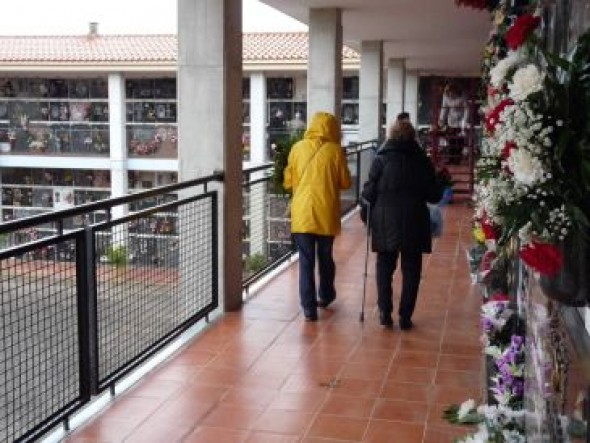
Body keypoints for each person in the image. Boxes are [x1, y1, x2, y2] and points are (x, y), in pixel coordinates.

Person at [361, 120, 442, 330]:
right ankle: (405, 316)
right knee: (412, 269)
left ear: (391, 135)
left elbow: (369, 193)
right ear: (413, 136)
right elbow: (434, 196)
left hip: (385, 220)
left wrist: (365, 213)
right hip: (414, 220)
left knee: (384, 267)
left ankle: (384, 313)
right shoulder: (422, 161)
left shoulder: (380, 160)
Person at [283, 111, 352, 321]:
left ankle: (309, 309)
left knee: (305, 261)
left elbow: (288, 180)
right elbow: (346, 183)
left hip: (302, 213)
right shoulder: (336, 151)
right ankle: (326, 294)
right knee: (325, 256)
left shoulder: (297, 148)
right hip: (325, 213)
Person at [437, 82, 469, 164]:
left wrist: (464, 121)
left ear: (455, 91)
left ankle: (457, 159)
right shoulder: (446, 96)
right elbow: (444, 108)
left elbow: (466, 109)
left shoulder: (462, 96)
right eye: (448, 93)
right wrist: (441, 120)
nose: (450, 95)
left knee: (459, 140)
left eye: (452, 93)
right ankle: (451, 158)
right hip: (451, 120)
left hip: (461, 120)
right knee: (451, 140)